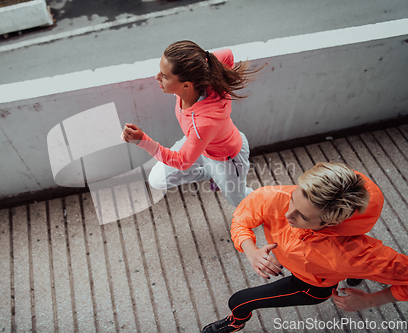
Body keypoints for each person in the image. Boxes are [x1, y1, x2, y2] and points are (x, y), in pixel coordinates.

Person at [202, 162, 408, 333]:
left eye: (304, 216)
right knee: (352, 269)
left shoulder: (355, 255)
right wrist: (251, 251)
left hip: (311, 285)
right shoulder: (274, 196)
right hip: (325, 267)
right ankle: (355, 276)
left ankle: (236, 321)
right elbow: (241, 218)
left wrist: (371, 301)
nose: (288, 214)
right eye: (293, 198)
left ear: (331, 224)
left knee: (238, 301)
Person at [121, 40, 262, 207]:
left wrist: (142, 140)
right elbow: (227, 55)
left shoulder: (204, 123)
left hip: (226, 158)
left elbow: (182, 162)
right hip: (198, 145)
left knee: (238, 200)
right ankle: (212, 173)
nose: (157, 77)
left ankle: (266, 205)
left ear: (186, 85)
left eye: (164, 76)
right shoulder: (200, 75)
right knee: (157, 180)